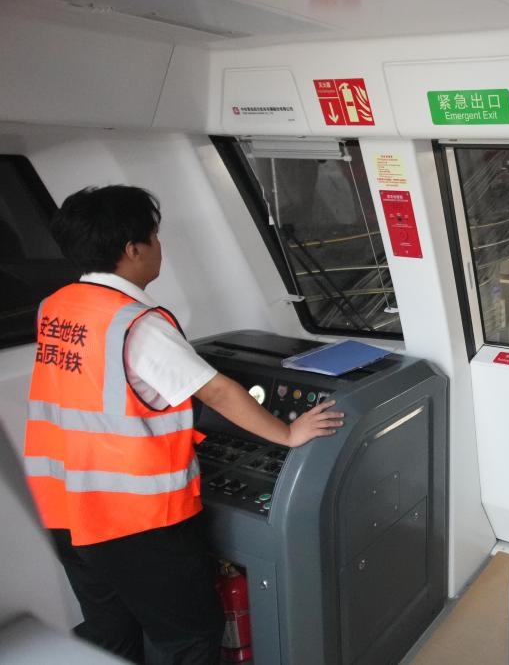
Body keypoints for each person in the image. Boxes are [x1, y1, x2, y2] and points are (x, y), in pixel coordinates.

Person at [23, 185, 345, 665]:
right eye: (153, 237)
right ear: (133, 249)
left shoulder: (58, 306)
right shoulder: (137, 323)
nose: (158, 247)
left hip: (64, 507)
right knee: (190, 635)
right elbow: (215, 390)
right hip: (133, 520)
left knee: (112, 631)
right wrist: (289, 433)